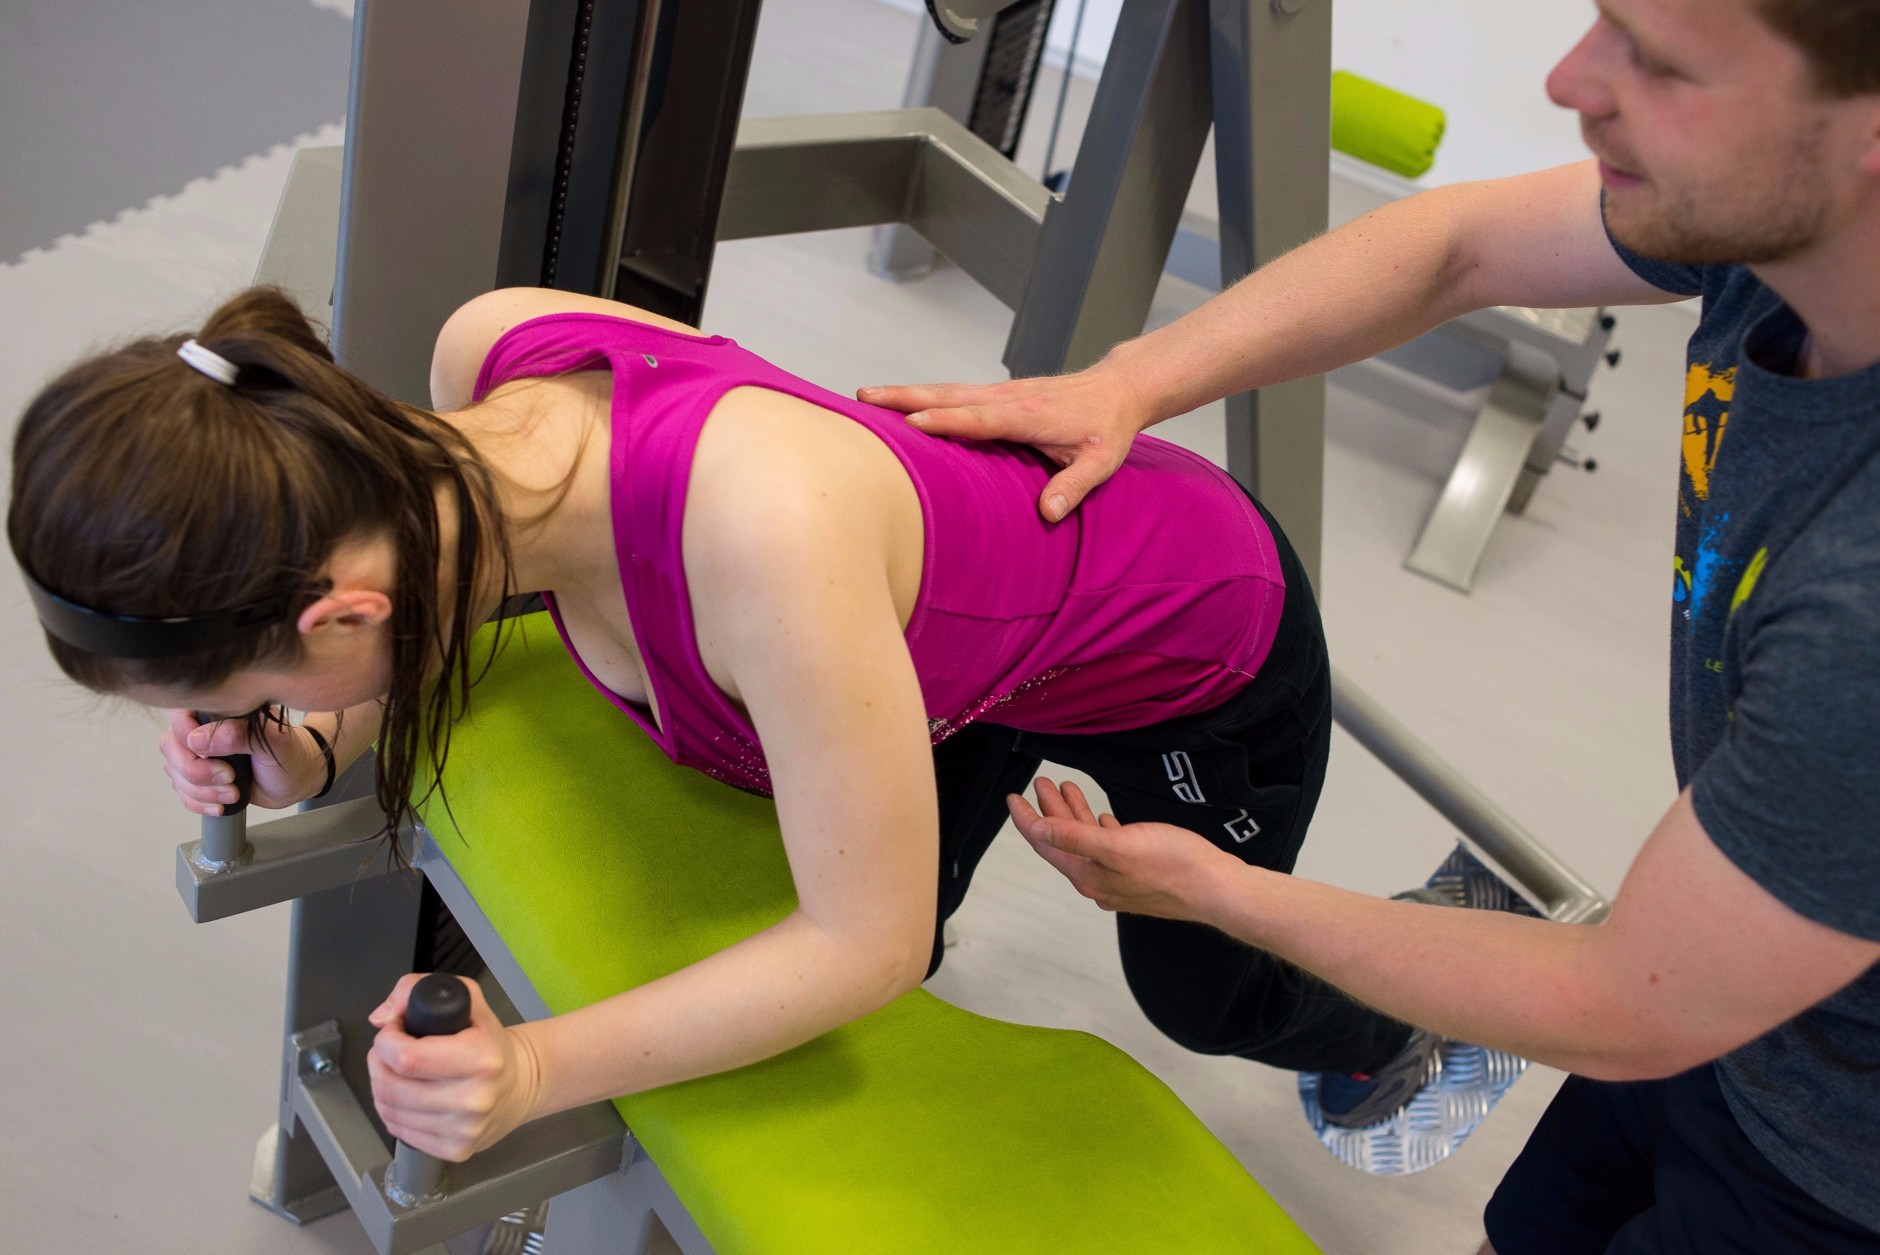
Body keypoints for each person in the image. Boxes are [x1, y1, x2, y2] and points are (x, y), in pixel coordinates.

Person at [860, 0, 1880, 1250]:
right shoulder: (1770, 232)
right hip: (1723, 1019)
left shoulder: (1856, 617)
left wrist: (1218, 891)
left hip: (1830, 1164)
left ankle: (1396, 1015)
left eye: (1659, 64)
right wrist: (1128, 381)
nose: (1568, 82)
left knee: (1205, 989)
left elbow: (1621, 1002)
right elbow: (1456, 246)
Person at [8, 280, 1427, 1168]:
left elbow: (859, 947)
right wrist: (313, 744)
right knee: (913, 921)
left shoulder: (763, 548)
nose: (241, 723)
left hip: (1193, 637)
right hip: (937, 648)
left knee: (1203, 992)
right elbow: (449, 590)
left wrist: (534, 1065)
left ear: (336, 616)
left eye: (242, 697)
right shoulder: (475, 369)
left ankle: (1411, 1008)